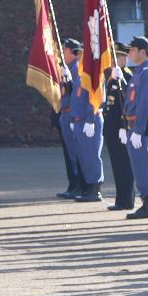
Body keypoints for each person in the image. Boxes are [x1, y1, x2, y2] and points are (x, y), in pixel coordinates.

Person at [119, 36, 148, 219]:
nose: (130, 53)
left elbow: (144, 103)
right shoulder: (138, 71)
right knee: (138, 164)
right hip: (132, 124)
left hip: (139, 126)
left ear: (143, 51)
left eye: (133, 50)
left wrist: (139, 129)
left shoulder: (147, 71)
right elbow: (131, 99)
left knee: (143, 164)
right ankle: (145, 200)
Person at [63, 38, 105, 202]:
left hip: (90, 121)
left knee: (92, 156)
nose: (80, 58)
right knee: (84, 156)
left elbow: (95, 99)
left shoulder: (93, 75)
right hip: (79, 120)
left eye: (82, 55)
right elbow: (76, 99)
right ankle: (88, 187)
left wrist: (90, 119)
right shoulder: (80, 75)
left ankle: (95, 189)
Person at [103, 52, 135, 210]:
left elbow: (127, 102)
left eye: (119, 57)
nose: (115, 61)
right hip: (112, 129)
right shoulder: (112, 76)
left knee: (124, 166)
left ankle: (126, 200)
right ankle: (120, 199)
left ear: (125, 59)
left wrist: (124, 127)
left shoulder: (127, 76)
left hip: (121, 129)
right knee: (117, 166)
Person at [54, 37, 85, 199]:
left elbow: (76, 93)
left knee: (76, 153)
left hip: (72, 114)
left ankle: (79, 185)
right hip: (64, 113)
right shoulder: (66, 68)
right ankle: (73, 184)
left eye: (65, 51)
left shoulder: (76, 69)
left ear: (74, 53)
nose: (63, 54)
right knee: (70, 153)